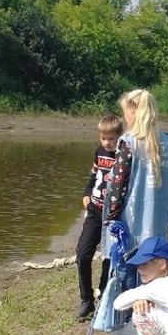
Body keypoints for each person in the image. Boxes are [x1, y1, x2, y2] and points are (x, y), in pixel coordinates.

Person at [103, 89, 168, 255]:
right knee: (154, 259)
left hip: (132, 219)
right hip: (160, 217)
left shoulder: (128, 142)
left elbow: (118, 184)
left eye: (124, 113)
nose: (124, 118)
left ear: (132, 112)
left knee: (130, 261)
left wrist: (111, 216)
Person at [74, 113, 124, 320]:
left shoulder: (124, 155)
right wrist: (86, 193)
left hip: (114, 213)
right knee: (82, 253)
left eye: (111, 138)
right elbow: (94, 175)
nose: (107, 142)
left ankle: (104, 293)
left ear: (120, 137)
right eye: (103, 138)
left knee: (109, 256)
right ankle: (86, 300)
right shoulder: (99, 152)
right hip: (95, 210)